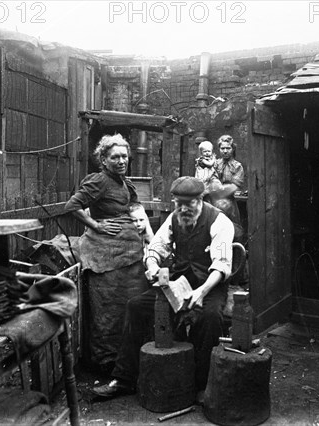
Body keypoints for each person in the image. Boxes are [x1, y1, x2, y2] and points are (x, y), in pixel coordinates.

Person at [91, 176, 234, 401]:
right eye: (179, 204)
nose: (184, 209)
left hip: (210, 284)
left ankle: (200, 385)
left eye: (191, 204)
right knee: (136, 306)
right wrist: (152, 265)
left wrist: (201, 292)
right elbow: (156, 246)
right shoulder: (173, 219)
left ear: (201, 199)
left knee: (210, 316)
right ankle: (124, 379)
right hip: (179, 281)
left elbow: (222, 265)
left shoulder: (221, 222)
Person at [64, 134, 148, 376]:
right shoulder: (99, 181)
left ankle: (127, 358)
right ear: (103, 159)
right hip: (105, 254)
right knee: (108, 308)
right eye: (115, 157)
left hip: (129, 254)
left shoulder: (125, 182)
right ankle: (106, 363)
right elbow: (72, 206)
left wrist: (140, 224)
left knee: (128, 306)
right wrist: (96, 225)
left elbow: (133, 205)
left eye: (124, 156)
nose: (121, 161)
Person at [213, 134, 246, 235]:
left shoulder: (237, 166)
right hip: (213, 204)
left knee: (232, 232)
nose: (225, 151)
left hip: (230, 205)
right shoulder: (215, 164)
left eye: (228, 148)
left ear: (233, 149)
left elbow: (234, 187)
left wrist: (216, 189)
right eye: (222, 148)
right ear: (219, 149)